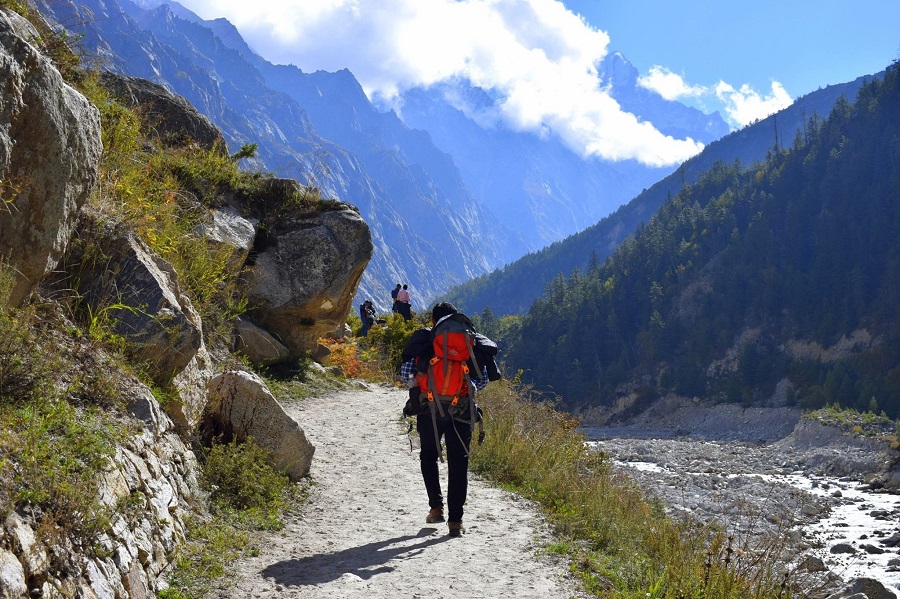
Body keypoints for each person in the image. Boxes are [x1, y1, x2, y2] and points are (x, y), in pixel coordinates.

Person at [399, 302, 499, 537]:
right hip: (462, 412)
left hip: (429, 410)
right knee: (459, 462)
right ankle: (456, 521)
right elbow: (482, 381)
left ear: (433, 319)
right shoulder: (469, 342)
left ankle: (436, 508)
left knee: (429, 457)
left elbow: (407, 377)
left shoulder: (426, 341)